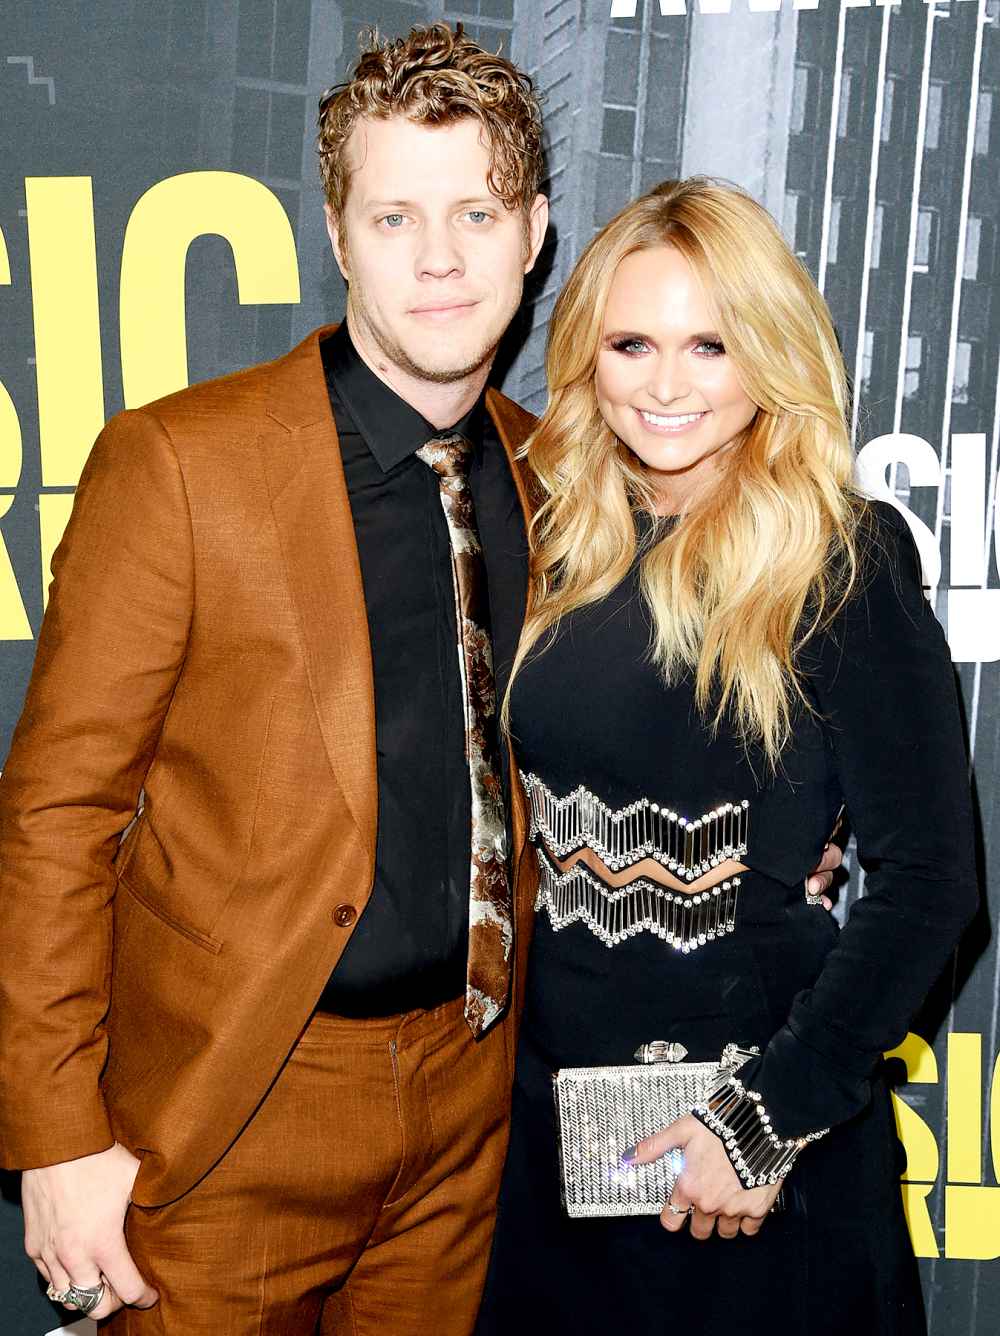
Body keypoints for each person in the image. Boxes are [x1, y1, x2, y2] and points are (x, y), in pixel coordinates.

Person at [0, 26, 840, 1335]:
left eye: (475, 212)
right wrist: (57, 1140)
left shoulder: (563, 474)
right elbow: (57, 817)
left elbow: (647, 730)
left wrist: (783, 848)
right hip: (229, 1120)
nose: (439, 258)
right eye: (395, 215)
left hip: (477, 1113)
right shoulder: (178, 466)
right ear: (338, 235)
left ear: (535, 233)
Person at [476, 178, 977, 1336]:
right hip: (552, 1152)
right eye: (631, 343)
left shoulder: (837, 557)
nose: (664, 385)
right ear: (585, 354)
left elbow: (929, 886)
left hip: (759, 1165)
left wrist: (763, 1122)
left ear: (768, 352)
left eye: (710, 344)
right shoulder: (547, 537)